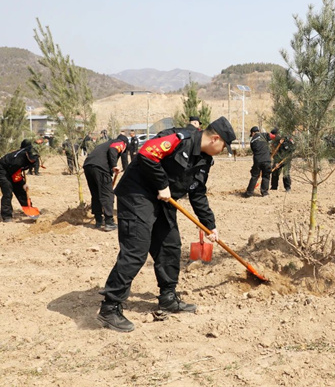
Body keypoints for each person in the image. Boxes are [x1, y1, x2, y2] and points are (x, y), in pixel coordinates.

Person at [96, 116, 236, 333]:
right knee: (136, 250)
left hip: (164, 200)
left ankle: (168, 297)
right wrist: (162, 184)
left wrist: (210, 224)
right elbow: (147, 153)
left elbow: (197, 192)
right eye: (224, 146)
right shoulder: (180, 138)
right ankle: (110, 307)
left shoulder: (205, 160)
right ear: (215, 139)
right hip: (138, 195)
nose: (223, 150)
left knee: (170, 246)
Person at [83, 134, 128, 231]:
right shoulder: (120, 142)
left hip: (88, 166)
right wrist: (114, 165)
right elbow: (113, 150)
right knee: (107, 194)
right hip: (100, 168)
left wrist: (124, 169)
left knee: (96, 194)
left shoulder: (105, 144)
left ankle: (98, 220)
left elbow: (124, 159)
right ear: (125, 144)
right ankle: (109, 222)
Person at [0, 139, 41, 222]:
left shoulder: (34, 158)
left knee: (22, 191)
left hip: (15, 171)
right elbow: (14, 174)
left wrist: (23, 183)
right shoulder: (17, 160)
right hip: (4, 170)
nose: (32, 160)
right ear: (27, 154)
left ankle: (28, 208)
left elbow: (24, 169)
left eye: (34, 159)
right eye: (31, 158)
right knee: (8, 192)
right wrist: (22, 183)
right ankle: (6, 216)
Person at [243, 126, 272, 197]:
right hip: (266, 160)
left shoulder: (252, 141)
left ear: (253, 133)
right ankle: (264, 192)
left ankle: (249, 193)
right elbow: (272, 137)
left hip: (257, 161)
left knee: (255, 176)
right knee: (266, 176)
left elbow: (254, 151)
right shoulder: (264, 135)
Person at [270, 128, 294, 192]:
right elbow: (275, 153)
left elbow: (291, 150)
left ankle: (287, 187)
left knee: (285, 173)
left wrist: (286, 158)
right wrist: (276, 162)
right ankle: (274, 187)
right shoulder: (275, 142)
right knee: (275, 172)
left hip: (286, 159)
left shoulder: (287, 140)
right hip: (278, 160)